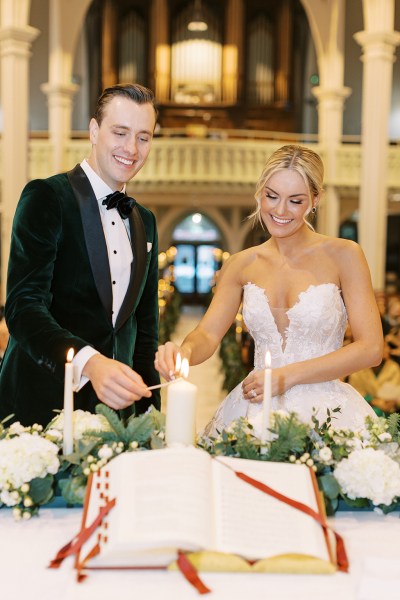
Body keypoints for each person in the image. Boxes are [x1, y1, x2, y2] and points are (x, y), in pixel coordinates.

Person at [155, 144, 383, 435]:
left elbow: (371, 348)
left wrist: (286, 376)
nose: (280, 210)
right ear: (259, 192)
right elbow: (208, 334)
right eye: (271, 196)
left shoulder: (345, 255)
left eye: (295, 201)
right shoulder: (241, 264)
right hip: (254, 405)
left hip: (328, 414)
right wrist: (183, 352)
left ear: (316, 199)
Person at [0, 83, 160, 427]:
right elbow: (23, 307)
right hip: (40, 407)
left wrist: (150, 417)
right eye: (120, 132)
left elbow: (144, 331)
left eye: (143, 137)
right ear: (93, 130)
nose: (132, 149)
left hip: (115, 418)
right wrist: (90, 363)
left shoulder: (145, 221)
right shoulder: (46, 197)